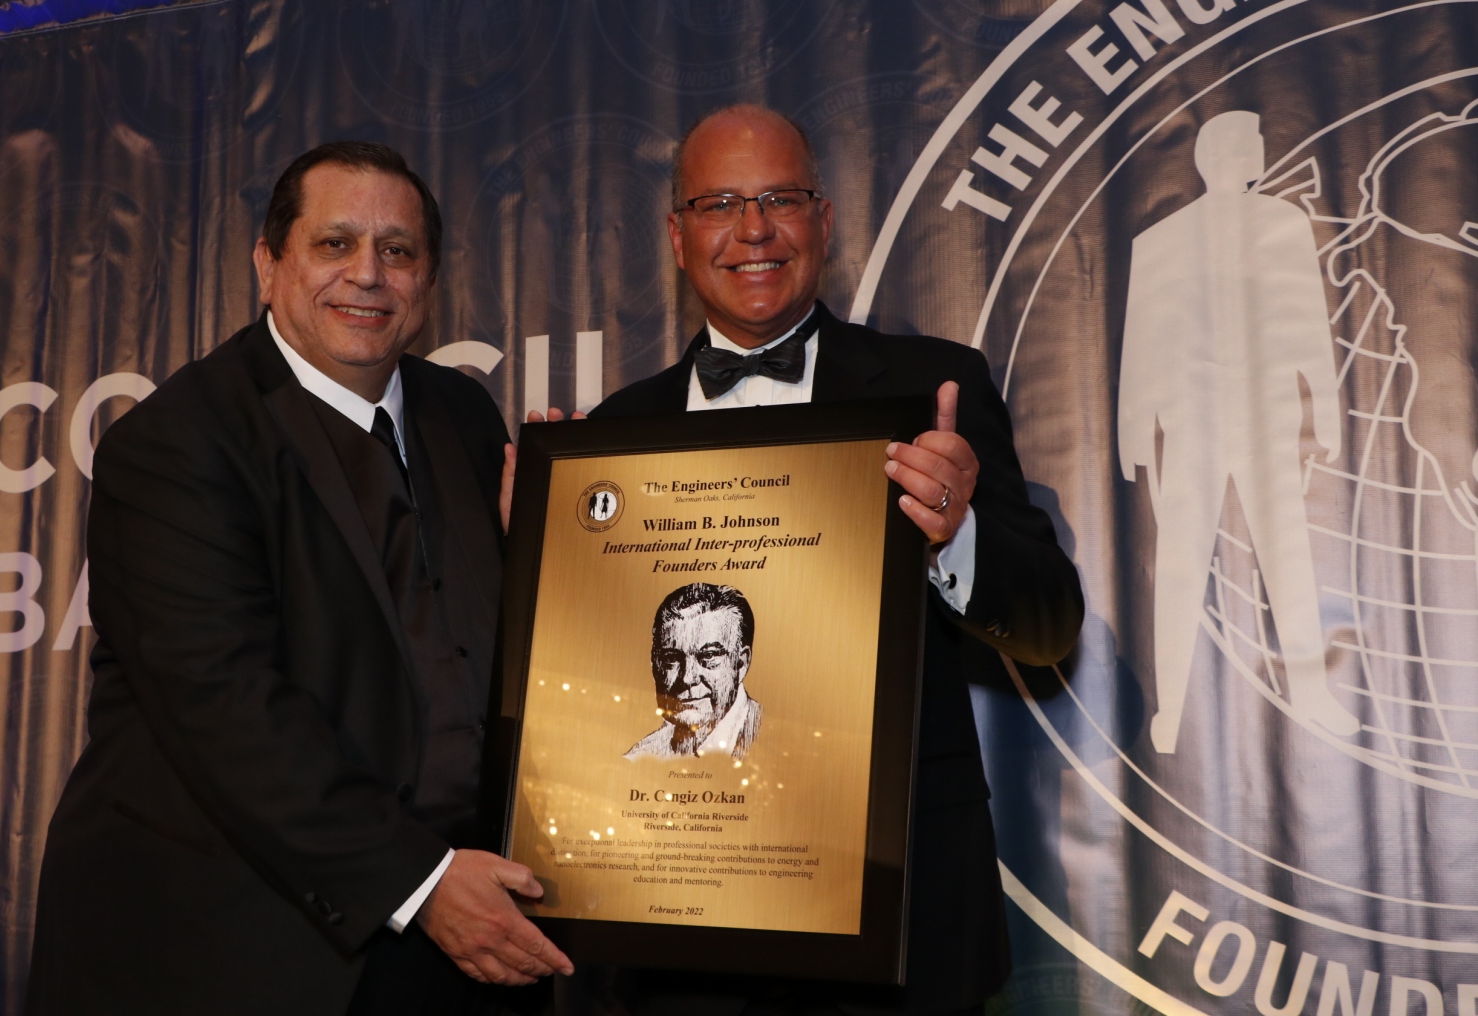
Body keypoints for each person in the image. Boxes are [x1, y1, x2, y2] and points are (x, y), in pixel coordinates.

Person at [26, 141, 572, 1016]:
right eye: (334, 244)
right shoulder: (176, 442)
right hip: (249, 948)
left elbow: (481, 658)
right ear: (267, 263)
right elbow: (225, 706)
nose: (367, 275)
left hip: (466, 929)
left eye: (397, 251)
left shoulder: (464, 415)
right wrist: (422, 882)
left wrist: (553, 559)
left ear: (427, 281)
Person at [571, 104, 1085, 1015]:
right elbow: (585, 698)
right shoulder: (614, 435)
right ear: (679, 235)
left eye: (781, 197)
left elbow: (1049, 625)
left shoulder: (936, 391)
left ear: (826, 220)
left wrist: (954, 533)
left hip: (899, 925)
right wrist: (547, 566)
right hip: (678, 934)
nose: (754, 229)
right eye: (720, 203)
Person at [1120, 110, 1360, 752]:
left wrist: (1326, 413)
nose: (1259, 153)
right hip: (1191, 424)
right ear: (1224, 154)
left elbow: (1310, 326)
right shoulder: (1162, 240)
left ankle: (1310, 692)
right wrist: (1131, 431)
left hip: (1266, 419)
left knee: (1287, 559)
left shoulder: (1283, 225)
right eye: (1252, 144)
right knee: (1180, 567)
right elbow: (1140, 343)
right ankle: (1169, 710)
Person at [625, 582, 762, 760]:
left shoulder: (779, 743)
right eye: (671, 659)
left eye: (709, 656)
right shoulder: (639, 758)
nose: (687, 678)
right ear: (655, 665)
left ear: (741, 664)